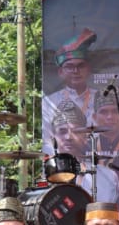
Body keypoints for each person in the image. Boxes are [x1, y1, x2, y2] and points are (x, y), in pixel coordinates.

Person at [50, 104, 119, 205]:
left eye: (76, 132)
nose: (68, 137)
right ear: (53, 138)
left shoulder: (108, 177)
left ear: (85, 137)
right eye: (62, 132)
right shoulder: (47, 179)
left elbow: (118, 211)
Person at [42, 27, 98, 155]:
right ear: (61, 72)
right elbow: (46, 140)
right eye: (69, 67)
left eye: (80, 66)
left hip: (97, 159)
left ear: (88, 69)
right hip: (62, 160)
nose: (75, 71)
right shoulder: (49, 101)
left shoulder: (100, 98)